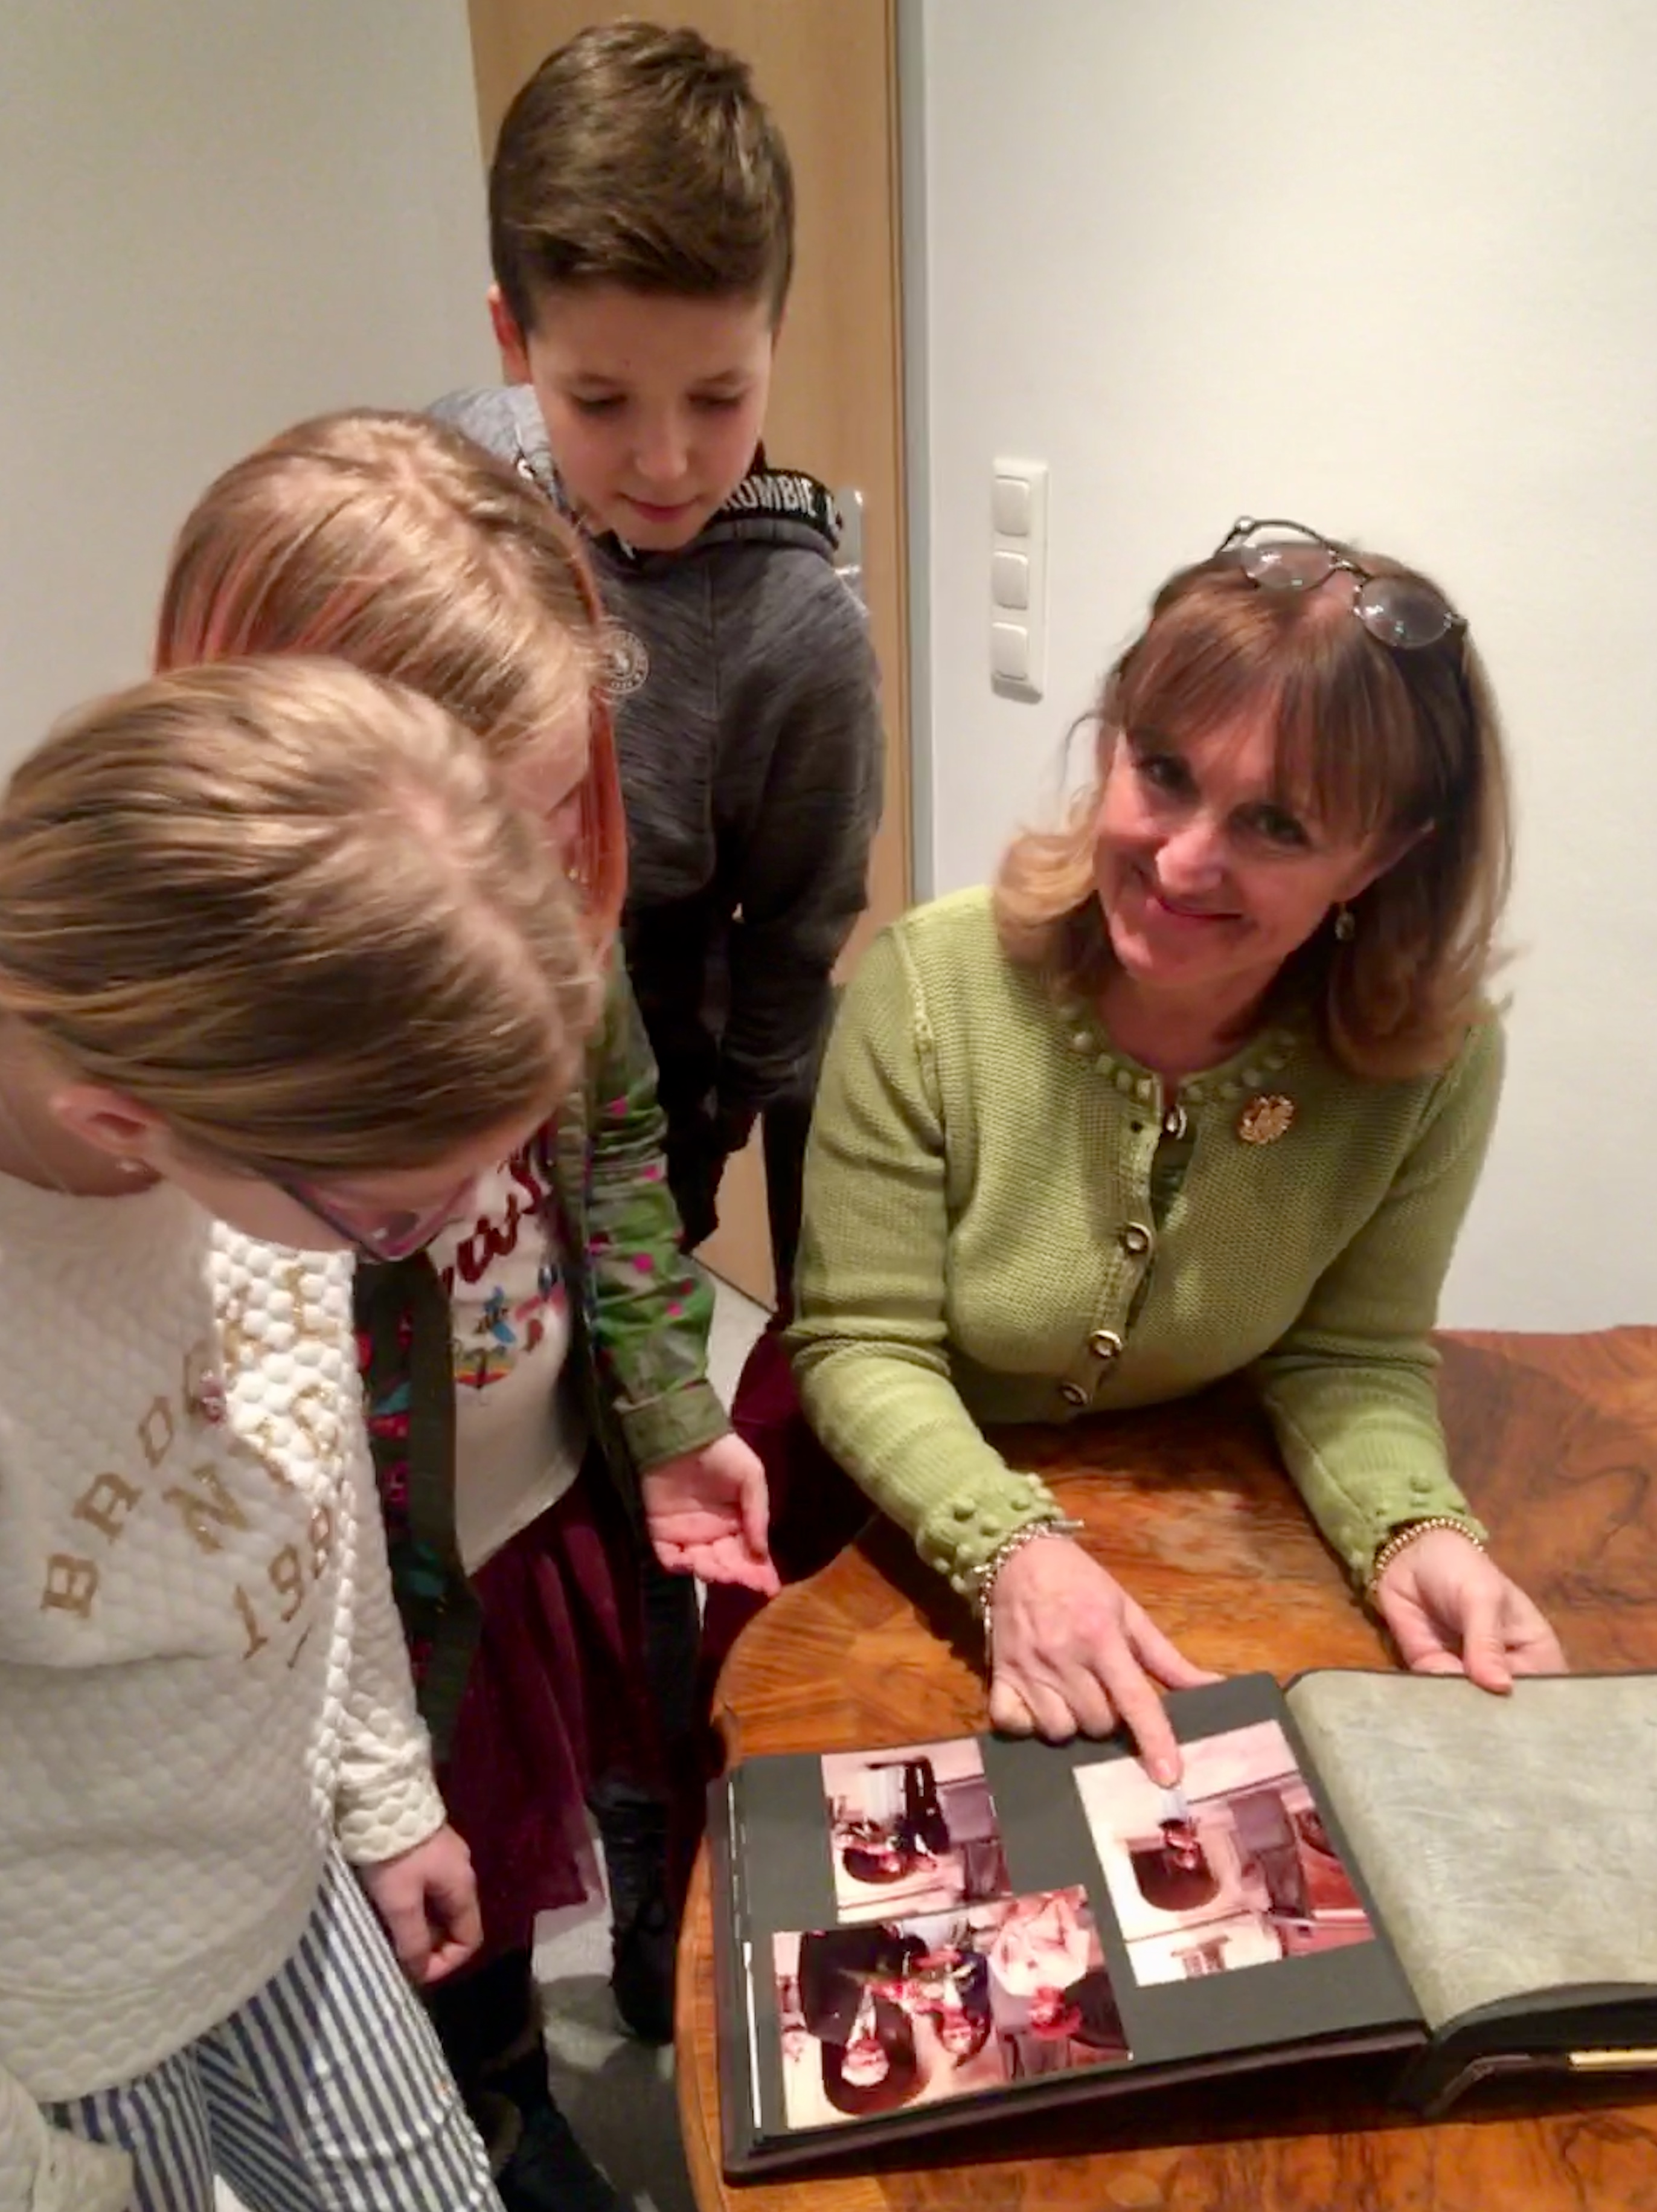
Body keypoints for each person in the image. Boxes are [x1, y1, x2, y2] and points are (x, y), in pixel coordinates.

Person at [155, 409, 778, 2212]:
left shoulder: (555, 923)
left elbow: (621, 1150)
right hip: (360, 1608)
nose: (539, 891)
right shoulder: (207, 1094)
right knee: (407, 1893)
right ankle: (476, 2104)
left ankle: (529, 2064)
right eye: (483, 836)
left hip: (539, 1513)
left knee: (525, 1845)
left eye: (560, 812)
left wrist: (667, 1413)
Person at [789, 518, 1566, 1785]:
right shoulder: (935, 984)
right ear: (1111, 741)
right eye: (1162, 771)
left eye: (1276, 825)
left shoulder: (1431, 1062)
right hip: (894, 1522)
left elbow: (1352, 1354)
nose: (1183, 859)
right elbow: (862, 1343)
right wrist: (1009, 1547)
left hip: (1203, 1546)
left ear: (1380, 857)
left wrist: (1414, 1529)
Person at [0, 658, 602, 2212]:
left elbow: (310, 1498)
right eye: (398, 1212)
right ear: (122, 1123)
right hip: (57, 2020)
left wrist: (385, 1789)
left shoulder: (256, 1139)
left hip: (291, 1888)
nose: (447, 1235)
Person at [434, 18, 883, 1260]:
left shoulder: (799, 634)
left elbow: (798, 928)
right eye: (600, 400)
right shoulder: (446, 469)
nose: (669, 461)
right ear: (514, 342)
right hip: (419, 1081)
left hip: (633, 1142)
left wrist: (721, 1122)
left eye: (719, 396)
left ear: (773, 342)